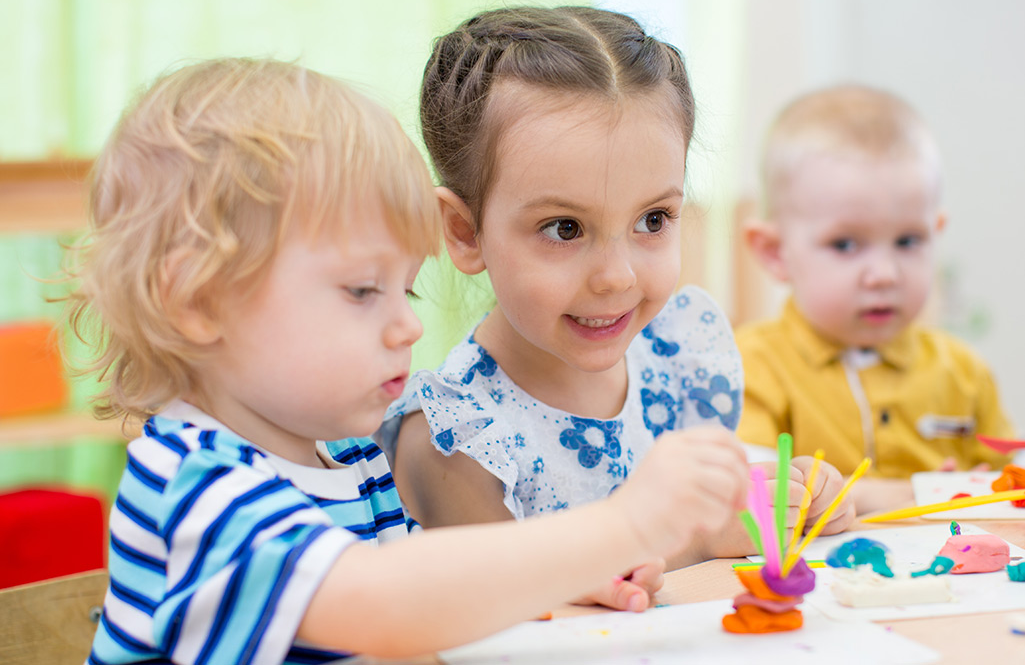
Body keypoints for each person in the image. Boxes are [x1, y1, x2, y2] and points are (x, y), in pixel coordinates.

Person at [70, 57, 752, 665]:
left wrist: (562, 579)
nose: (408, 325)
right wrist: (622, 525)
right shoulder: (199, 486)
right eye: (363, 290)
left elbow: (429, 609)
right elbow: (382, 606)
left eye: (407, 287)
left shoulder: (346, 460)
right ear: (198, 300)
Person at [379, 5, 855, 572]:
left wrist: (793, 493)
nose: (618, 277)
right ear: (464, 231)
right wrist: (700, 540)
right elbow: (510, 619)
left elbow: (728, 507)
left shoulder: (676, 357)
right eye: (565, 229)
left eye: (653, 220)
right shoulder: (456, 437)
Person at [737, 84, 1015, 513]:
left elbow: (1006, 493)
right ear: (776, 253)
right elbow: (754, 500)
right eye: (846, 245)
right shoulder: (747, 368)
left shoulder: (965, 374)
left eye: (908, 241)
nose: (885, 274)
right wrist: (900, 494)